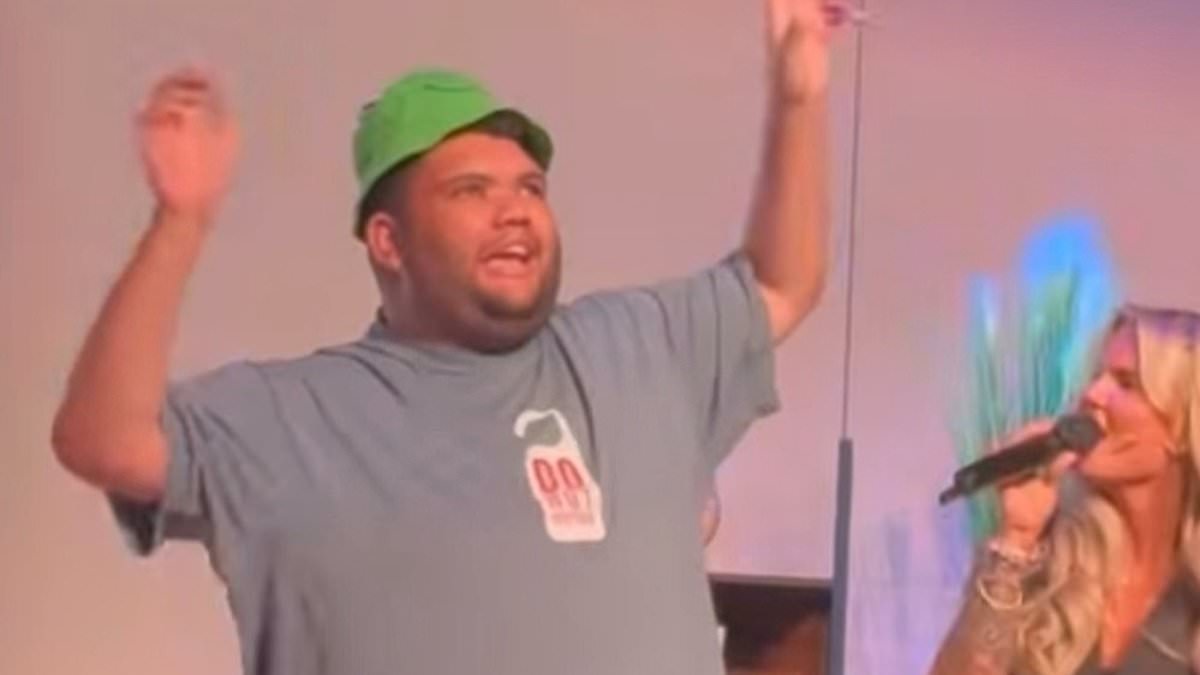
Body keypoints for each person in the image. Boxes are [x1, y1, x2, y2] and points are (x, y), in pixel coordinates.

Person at [50, 1, 842, 673]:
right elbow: (103, 441)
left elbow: (781, 282)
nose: (515, 209)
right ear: (388, 242)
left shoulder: (639, 348)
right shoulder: (294, 418)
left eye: (530, 187)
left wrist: (798, 98)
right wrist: (180, 219)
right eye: (471, 191)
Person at [930, 306, 1200, 675]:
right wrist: (1017, 537)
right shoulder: (1048, 560)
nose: (1092, 394)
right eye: (1097, 376)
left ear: (1182, 428)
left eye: (1126, 384)